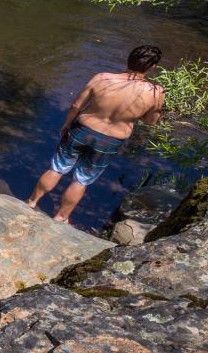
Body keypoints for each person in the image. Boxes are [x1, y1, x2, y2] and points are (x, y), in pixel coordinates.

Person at [27, 45, 165, 223]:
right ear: (152, 67)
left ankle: (32, 202)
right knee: (82, 180)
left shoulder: (102, 78)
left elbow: (76, 105)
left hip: (82, 130)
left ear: (128, 59)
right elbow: (150, 121)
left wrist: (67, 124)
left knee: (57, 167)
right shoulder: (156, 92)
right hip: (110, 141)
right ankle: (61, 217)